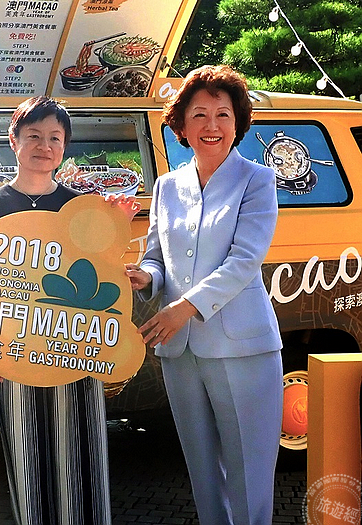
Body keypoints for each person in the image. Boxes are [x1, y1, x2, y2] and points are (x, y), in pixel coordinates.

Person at [126, 65, 283, 525]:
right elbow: (156, 257)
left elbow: (244, 260)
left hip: (243, 347)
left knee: (248, 472)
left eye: (222, 114)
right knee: (202, 473)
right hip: (180, 351)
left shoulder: (258, 180)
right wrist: (146, 278)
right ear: (181, 124)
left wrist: (184, 307)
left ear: (238, 122)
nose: (211, 125)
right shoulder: (165, 186)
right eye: (199, 114)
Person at [0, 96, 138, 525]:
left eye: (55, 138)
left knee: (82, 463)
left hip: (75, 350)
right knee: (27, 463)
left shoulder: (81, 207)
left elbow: (100, 276)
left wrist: (116, 227)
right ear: (13, 140)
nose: (44, 146)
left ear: (65, 147)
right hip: (14, 353)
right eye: (33, 136)